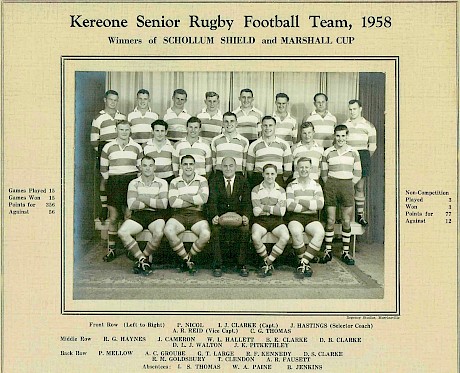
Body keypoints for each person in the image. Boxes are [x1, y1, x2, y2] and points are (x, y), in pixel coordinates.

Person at [117, 156, 168, 276]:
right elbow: (132, 204)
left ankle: (142, 259)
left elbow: (163, 204)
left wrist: (142, 198)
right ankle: (142, 259)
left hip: (156, 215)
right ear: (140, 167)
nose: (148, 168)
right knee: (122, 232)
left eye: (150, 165)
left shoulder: (162, 183)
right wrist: (153, 201)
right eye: (144, 165)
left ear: (154, 167)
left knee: (159, 232)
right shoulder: (134, 183)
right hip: (139, 215)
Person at [100, 121, 143, 262]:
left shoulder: (136, 147)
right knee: (113, 217)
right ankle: (111, 250)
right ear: (116, 130)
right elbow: (104, 170)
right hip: (114, 183)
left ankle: (130, 249)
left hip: (130, 182)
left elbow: (140, 169)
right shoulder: (108, 147)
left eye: (126, 130)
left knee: (128, 216)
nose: (124, 132)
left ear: (130, 131)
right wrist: (110, 183)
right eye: (121, 129)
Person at [320, 124, 362, 265]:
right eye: (338, 136)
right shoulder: (328, 152)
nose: (340, 138)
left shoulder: (353, 152)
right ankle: (328, 251)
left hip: (347, 186)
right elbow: (324, 174)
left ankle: (345, 252)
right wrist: (330, 185)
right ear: (334, 136)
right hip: (331, 185)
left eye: (343, 136)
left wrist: (349, 185)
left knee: (346, 220)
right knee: (331, 220)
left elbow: (358, 172)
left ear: (347, 136)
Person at [164, 155, 211, 275]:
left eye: (191, 164)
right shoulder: (175, 181)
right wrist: (193, 202)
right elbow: (173, 202)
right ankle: (187, 259)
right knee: (168, 230)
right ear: (181, 166)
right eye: (185, 164)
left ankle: (188, 258)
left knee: (205, 234)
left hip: (197, 215)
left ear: (194, 166)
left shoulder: (202, 180)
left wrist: (184, 197)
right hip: (179, 215)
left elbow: (204, 199)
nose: (188, 167)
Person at [208, 157, 252, 277]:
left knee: (245, 230)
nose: (228, 169)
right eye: (225, 166)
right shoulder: (215, 181)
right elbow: (212, 202)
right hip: (221, 216)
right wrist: (214, 216)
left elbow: (247, 202)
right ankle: (218, 265)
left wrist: (246, 216)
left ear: (235, 167)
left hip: (238, 216)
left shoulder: (242, 181)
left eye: (231, 166)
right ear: (221, 167)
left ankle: (241, 264)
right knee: (215, 230)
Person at [90, 90, 126, 221]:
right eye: (110, 99)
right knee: (105, 179)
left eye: (115, 100)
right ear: (105, 100)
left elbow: (126, 134)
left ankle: (118, 209)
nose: (113, 102)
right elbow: (94, 141)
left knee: (119, 178)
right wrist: (105, 151)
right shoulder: (98, 117)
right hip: (104, 150)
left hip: (119, 149)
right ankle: (105, 207)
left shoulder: (122, 117)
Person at [286, 157, 325, 278]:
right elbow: (290, 206)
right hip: (295, 217)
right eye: (301, 167)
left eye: (306, 167)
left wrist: (299, 200)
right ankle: (305, 264)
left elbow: (320, 205)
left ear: (311, 168)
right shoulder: (291, 185)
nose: (304, 170)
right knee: (296, 232)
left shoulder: (316, 185)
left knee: (320, 232)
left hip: (311, 218)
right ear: (297, 168)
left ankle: (303, 262)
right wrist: (309, 205)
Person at [251, 164, 290, 278]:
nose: (269, 176)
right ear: (263, 174)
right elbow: (256, 212)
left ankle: (268, 262)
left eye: (272, 174)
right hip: (260, 221)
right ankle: (266, 260)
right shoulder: (256, 189)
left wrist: (264, 207)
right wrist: (274, 208)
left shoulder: (281, 190)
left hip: (277, 221)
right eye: (267, 173)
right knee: (255, 237)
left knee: (285, 237)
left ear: (276, 175)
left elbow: (282, 212)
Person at [344, 99, 377, 226]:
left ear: (360, 109)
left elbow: (372, 147)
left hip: (363, 156)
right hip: (348, 157)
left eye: (355, 109)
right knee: (347, 188)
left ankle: (359, 216)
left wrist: (361, 159)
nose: (352, 112)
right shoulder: (345, 125)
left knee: (359, 187)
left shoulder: (368, 125)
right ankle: (346, 216)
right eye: (350, 109)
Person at [246, 115, 292, 189]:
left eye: (270, 125)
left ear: (275, 126)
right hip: (259, 179)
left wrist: (280, 179)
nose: (267, 128)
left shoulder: (284, 144)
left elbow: (288, 168)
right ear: (261, 127)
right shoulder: (254, 145)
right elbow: (249, 168)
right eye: (265, 125)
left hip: (277, 179)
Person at [211, 111, 249, 176]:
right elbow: (213, 162)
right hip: (220, 175)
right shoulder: (215, 140)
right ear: (222, 124)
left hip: (237, 175)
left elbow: (244, 164)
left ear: (236, 123)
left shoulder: (244, 141)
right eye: (226, 121)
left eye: (232, 121)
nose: (229, 124)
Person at [143, 119, 175, 184]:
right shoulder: (145, 146)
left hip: (169, 178)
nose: (160, 134)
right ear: (152, 131)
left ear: (166, 132)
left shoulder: (173, 146)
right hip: (151, 179)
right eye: (157, 131)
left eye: (162, 131)